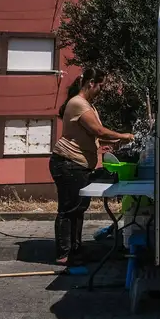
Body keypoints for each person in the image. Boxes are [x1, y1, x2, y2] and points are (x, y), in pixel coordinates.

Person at [51, 67, 132, 265]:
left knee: (78, 209)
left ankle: (75, 249)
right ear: (91, 84)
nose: (101, 90)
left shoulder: (87, 105)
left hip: (77, 164)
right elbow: (97, 129)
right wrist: (124, 136)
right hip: (68, 163)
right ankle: (64, 254)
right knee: (69, 209)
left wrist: (100, 144)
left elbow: (88, 133)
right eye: (101, 86)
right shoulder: (78, 103)